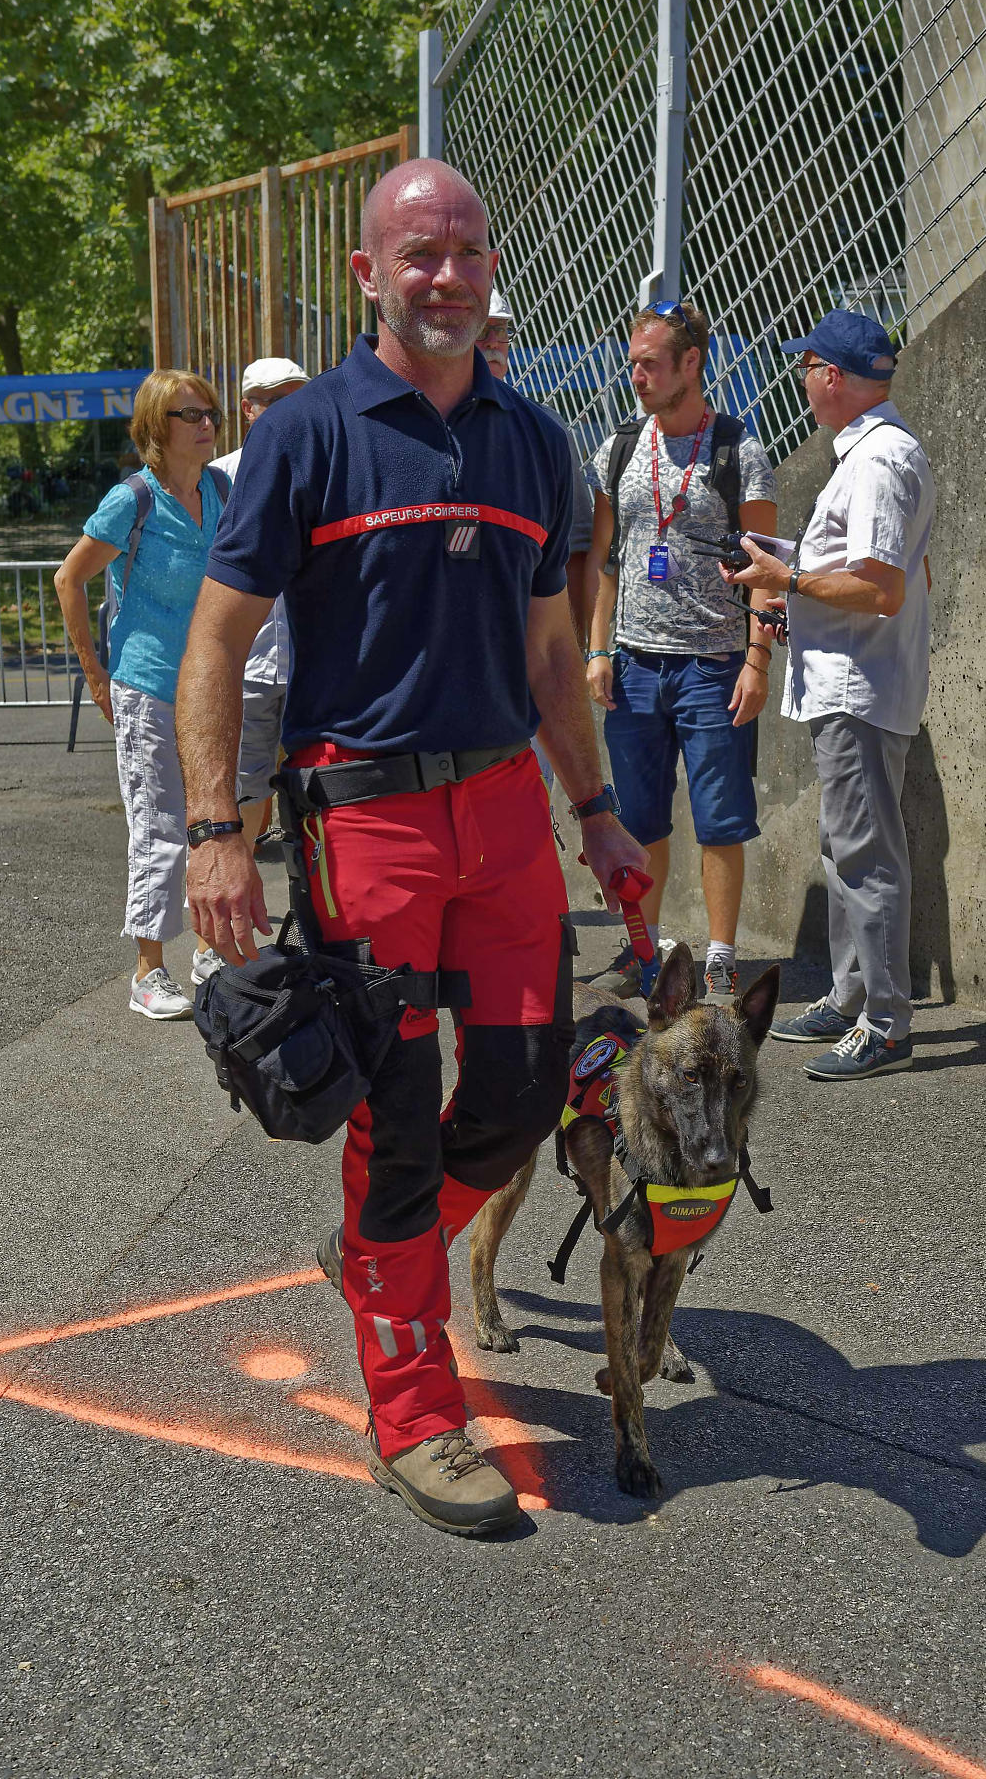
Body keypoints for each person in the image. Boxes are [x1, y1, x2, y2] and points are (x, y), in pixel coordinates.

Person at [175, 158, 646, 1537]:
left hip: (503, 812)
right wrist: (215, 832)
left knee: (521, 1092)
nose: (445, 275)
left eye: (465, 251)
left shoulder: (534, 442)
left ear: (490, 266)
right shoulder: (305, 434)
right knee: (393, 1119)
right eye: (417, 254)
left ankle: (383, 1259)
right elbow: (215, 643)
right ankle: (416, 1413)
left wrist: (597, 808)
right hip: (361, 815)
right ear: (368, 273)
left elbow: (550, 653)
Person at [739, 309, 936, 1080]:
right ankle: (852, 997)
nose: (802, 379)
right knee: (846, 848)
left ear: (833, 376)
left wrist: (786, 578)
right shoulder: (869, 451)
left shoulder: (880, 458)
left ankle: (885, 1023)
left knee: (867, 856)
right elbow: (861, 571)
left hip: (860, 688)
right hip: (850, 682)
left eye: (807, 366)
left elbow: (880, 588)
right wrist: (791, 581)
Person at [585, 299, 779, 1000]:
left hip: (714, 666)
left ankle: (721, 958)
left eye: (649, 365)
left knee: (720, 819)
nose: (635, 377)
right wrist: (597, 651)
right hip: (634, 665)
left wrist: (758, 661)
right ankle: (646, 950)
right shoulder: (619, 449)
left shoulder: (737, 450)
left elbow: (767, 567)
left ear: (690, 363)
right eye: (631, 364)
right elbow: (606, 560)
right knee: (638, 820)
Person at [54, 371, 228, 1019]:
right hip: (148, 684)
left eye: (210, 412)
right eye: (191, 414)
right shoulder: (133, 499)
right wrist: (96, 675)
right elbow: (69, 579)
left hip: (209, 687)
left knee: (215, 819)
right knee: (159, 828)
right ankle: (148, 972)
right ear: (158, 426)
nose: (207, 424)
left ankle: (210, 950)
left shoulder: (220, 489)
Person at [211, 356, 310, 847]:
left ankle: (318, 886)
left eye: (296, 398)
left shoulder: (328, 464)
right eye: (274, 400)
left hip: (312, 660)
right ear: (248, 409)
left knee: (319, 782)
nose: (288, 409)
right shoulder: (217, 479)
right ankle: (243, 871)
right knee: (246, 785)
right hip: (247, 662)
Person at [476, 289, 593, 642]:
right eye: (482, 330)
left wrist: (577, 649)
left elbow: (576, 546)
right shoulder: (430, 422)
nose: (493, 342)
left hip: (528, 632)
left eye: (501, 330)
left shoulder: (546, 428)